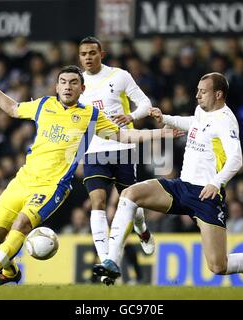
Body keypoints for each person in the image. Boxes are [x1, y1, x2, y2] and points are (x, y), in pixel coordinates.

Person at [93, 72, 243, 289]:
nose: (197, 95)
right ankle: (112, 261)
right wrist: (167, 119)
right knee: (130, 194)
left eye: (203, 91)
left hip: (205, 196)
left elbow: (236, 159)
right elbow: (195, 123)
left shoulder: (226, 121)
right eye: (198, 90)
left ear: (218, 94)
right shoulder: (202, 111)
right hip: (181, 187)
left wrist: (216, 183)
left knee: (219, 266)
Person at [0, 65, 174, 286]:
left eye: (73, 83)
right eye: (64, 82)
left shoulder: (90, 116)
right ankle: (10, 272)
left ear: (82, 88)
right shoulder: (43, 105)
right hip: (23, 180)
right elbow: (12, 108)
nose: (68, 87)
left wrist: (160, 133)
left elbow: (123, 136)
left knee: (22, 224)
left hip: (53, 186)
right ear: (57, 87)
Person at [78, 37, 155, 285]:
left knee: (130, 201)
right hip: (93, 151)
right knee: (97, 202)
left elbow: (145, 104)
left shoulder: (120, 76)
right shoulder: (76, 83)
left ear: (102, 53)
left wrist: (130, 115)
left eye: (92, 52)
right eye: (83, 54)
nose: (88, 57)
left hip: (122, 147)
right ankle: (106, 261)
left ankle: (142, 231)